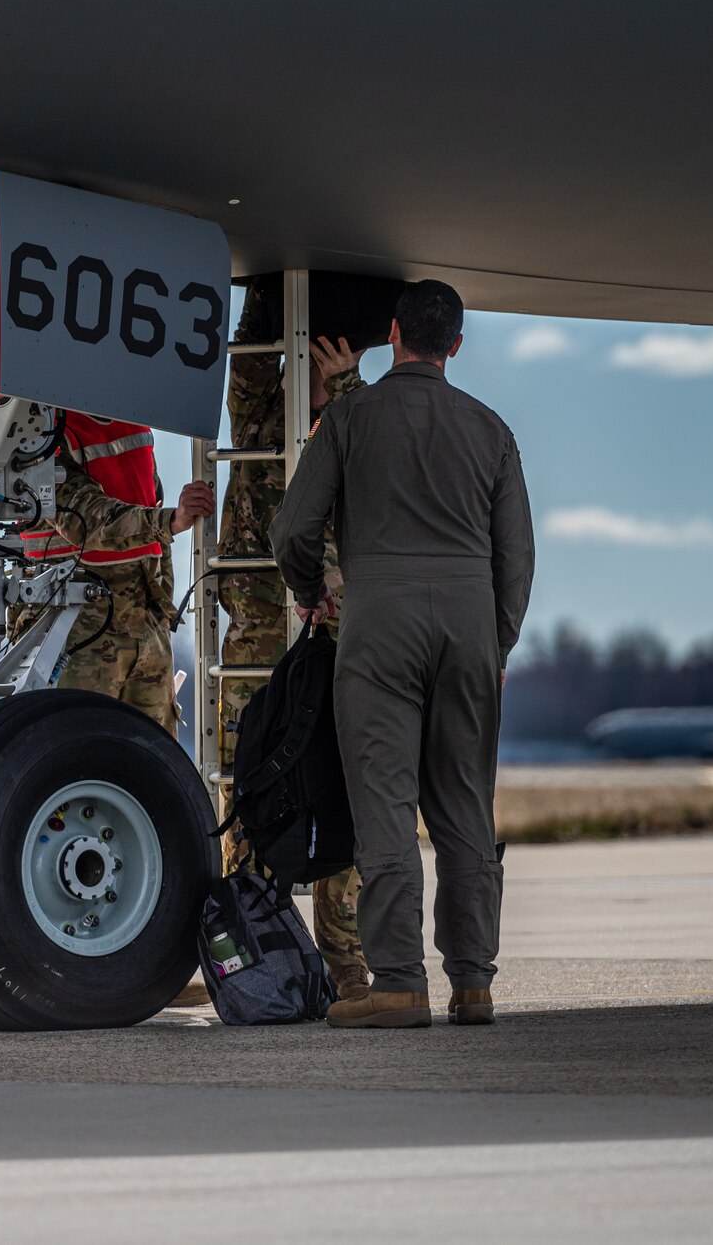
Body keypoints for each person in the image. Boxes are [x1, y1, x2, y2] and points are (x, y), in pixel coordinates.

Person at [268, 280, 534, 1029]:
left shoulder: (350, 417)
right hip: (469, 624)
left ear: (392, 334)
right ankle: (474, 982)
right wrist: (495, 639)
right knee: (463, 809)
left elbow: (293, 528)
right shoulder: (492, 430)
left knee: (385, 804)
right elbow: (516, 558)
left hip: (379, 622)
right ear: (455, 343)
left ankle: (398, 982)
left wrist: (310, 588)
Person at [218, 309, 372, 1001]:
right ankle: (259, 957)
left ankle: (345, 965)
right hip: (258, 632)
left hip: (333, 637)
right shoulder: (261, 421)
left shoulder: (352, 422)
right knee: (251, 789)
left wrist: (344, 386)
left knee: (337, 793)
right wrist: (267, 296)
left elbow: (370, 479)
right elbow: (247, 361)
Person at [19, 412, 214, 734]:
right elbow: (84, 519)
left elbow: (152, 522)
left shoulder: (135, 426)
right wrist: (170, 521)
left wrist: (160, 615)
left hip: (141, 627)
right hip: (74, 633)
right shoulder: (39, 431)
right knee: (75, 751)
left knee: (154, 760)